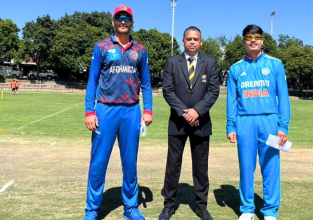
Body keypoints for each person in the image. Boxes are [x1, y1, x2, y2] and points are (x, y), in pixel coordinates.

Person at [83, 5, 153, 220]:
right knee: (99, 162)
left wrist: (147, 109)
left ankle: (130, 207)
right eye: (119, 17)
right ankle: (92, 210)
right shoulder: (102, 47)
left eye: (127, 18)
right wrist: (89, 112)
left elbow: (147, 83)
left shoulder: (140, 50)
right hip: (105, 110)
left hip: (131, 111)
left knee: (130, 161)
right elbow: (92, 80)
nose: (123, 21)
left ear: (132, 22)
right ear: (113, 21)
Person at [226, 24, 291, 220]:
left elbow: (284, 98)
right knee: (246, 167)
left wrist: (282, 126)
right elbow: (232, 100)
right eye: (248, 37)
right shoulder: (235, 69)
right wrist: (231, 126)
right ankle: (247, 209)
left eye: (256, 37)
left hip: (269, 121)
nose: (252, 40)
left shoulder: (275, 65)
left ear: (262, 40)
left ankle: (270, 211)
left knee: (270, 167)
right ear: (243, 41)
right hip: (244, 122)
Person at [159, 26, 220, 220]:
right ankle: (168, 205)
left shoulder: (210, 63)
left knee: (201, 167)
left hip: (201, 122)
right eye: (188, 39)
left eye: (195, 39)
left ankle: (202, 207)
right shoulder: (171, 62)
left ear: (201, 42)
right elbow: (167, 91)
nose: (192, 42)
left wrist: (197, 111)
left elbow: (213, 91)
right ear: (183, 41)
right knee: (172, 166)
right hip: (178, 122)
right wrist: (185, 113)